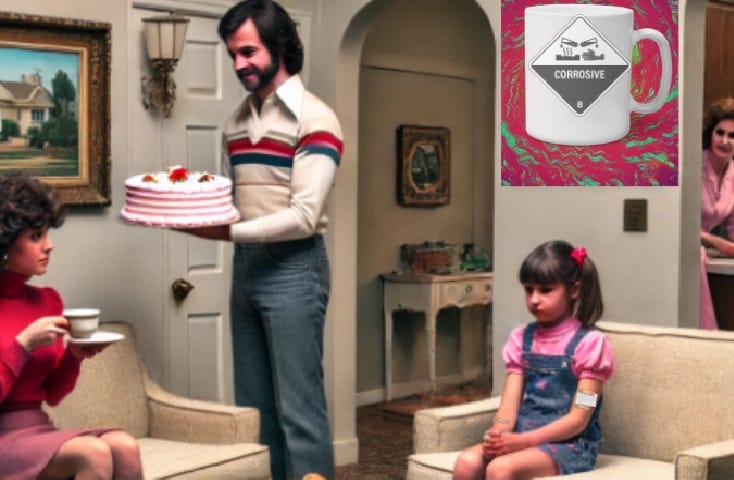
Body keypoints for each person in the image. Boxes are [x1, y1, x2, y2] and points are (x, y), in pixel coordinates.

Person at [176, 1, 343, 478]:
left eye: (247, 52)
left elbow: (304, 217)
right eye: (233, 55)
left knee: (300, 413)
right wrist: (180, 204)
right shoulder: (234, 122)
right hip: (246, 268)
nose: (238, 65)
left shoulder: (316, 118)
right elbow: (230, 198)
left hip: (295, 268)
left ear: (280, 46)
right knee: (255, 410)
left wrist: (223, 232)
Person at [0, 174, 142, 480]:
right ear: (5, 244)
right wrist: (22, 345)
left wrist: (74, 357)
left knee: (125, 445)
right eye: (36, 236)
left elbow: (52, 395)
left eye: (47, 235)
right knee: (94, 451)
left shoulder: (48, 301)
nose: (49, 246)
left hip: (36, 428)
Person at [453, 240, 614, 480]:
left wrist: (522, 442)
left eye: (545, 290)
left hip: (570, 445)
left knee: (501, 469)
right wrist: (499, 434)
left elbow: (579, 420)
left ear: (574, 290)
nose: (534, 299)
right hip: (522, 437)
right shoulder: (520, 339)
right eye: (529, 290)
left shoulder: (591, 344)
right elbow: (508, 409)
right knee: (466, 463)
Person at [699, 98, 734, 329]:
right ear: (710, 133)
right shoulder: (693, 165)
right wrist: (714, 241)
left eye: (732, 136)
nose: (724, 141)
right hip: (685, 247)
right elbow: (675, 222)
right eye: (719, 132)